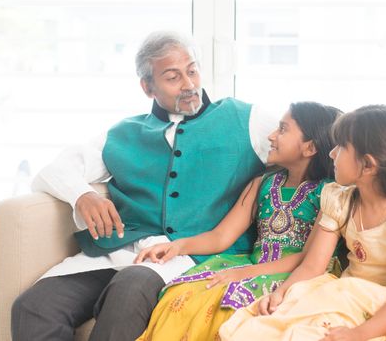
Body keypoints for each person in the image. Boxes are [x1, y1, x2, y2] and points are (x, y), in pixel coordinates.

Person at [10, 30, 386, 341]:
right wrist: (84, 193)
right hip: (116, 250)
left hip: (185, 256)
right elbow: (55, 169)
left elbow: (332, 128)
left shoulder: (246, 120)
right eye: (173, 77)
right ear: (147, 85)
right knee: (32, 308)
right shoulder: (122, 132)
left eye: (192, 70)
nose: (188, 84)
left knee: (131, 287)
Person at [219, 105, 386, 341]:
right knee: (273, 319)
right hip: (346, 292)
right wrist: (281, 293)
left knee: (310, 325)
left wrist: (357, 334)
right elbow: (312, 267)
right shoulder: (340, 201)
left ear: (368, 165)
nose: (331, 153)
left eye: (341, 147)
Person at [135, 102, 344, 341]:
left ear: (310, 147)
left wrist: (245, 273)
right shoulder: (262, 184)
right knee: (186, 292)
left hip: (300, 275)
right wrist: (177, 246)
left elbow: (308, 259)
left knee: (234, 302)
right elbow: (221, 236)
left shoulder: (330, 193)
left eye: (283, 129)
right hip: (252, 264)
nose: (271, 136)